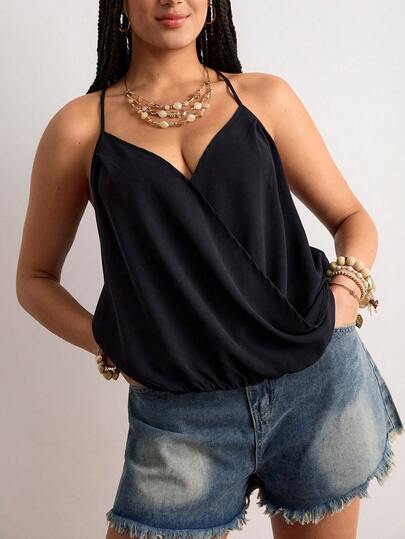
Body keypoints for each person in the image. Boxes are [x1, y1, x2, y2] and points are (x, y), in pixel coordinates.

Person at [16, 1, 404, 538]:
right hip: (181, 415)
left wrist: (344, 296)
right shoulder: (80, 127)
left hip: (316, 389)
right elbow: (35, 280)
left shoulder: (264, 97)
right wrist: (112, 347)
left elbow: (351, 218)